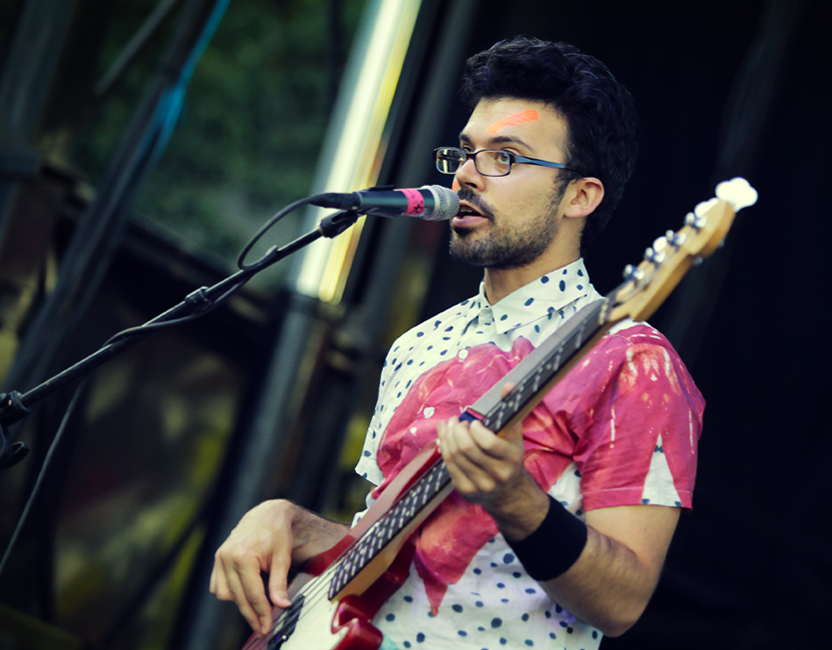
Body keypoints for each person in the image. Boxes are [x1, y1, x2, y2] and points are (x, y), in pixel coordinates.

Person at [210, 36, 704, 650]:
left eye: (505, 157)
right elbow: (386, 547)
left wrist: (517, 502)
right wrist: (289, 521)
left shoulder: (634, 360)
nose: (467, 175)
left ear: (580, 195)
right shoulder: (420, 344)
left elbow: (623, 601)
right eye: (467, 152)